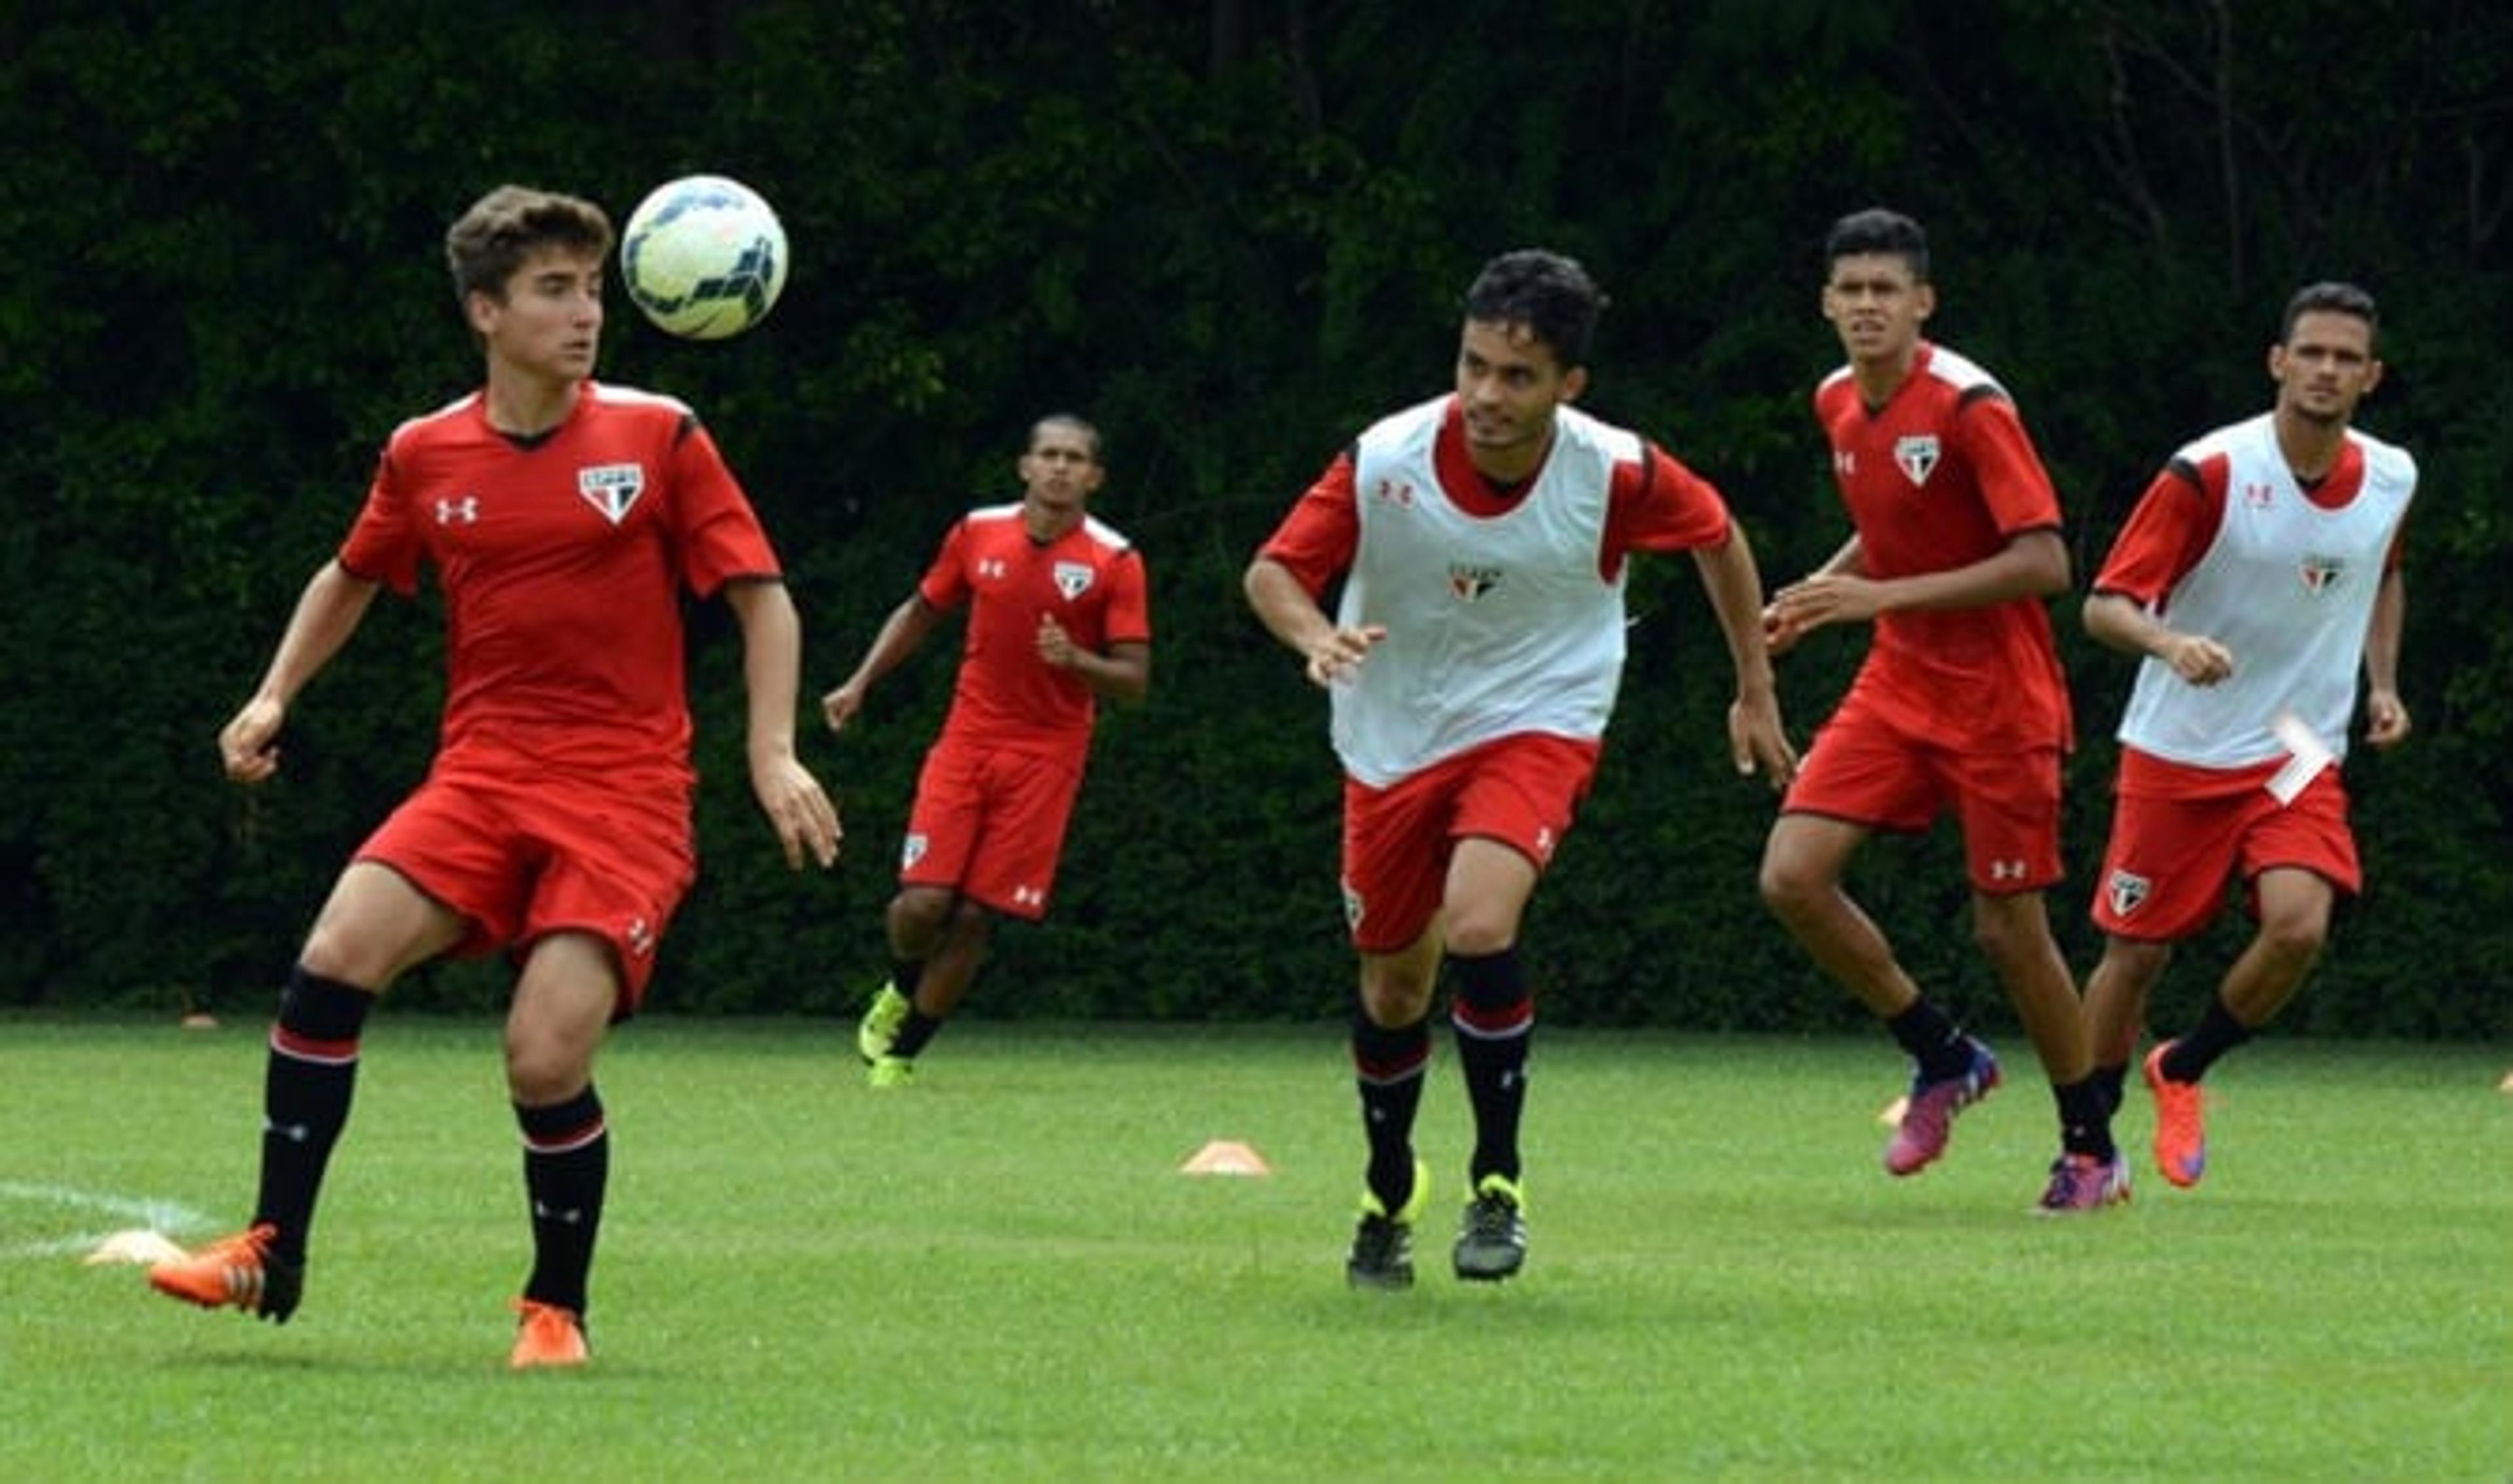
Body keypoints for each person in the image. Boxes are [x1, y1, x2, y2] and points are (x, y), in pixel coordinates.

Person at [143, 185, 842, 1369]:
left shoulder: (659, 435)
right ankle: (272, 1245)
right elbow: (354, 570)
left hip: (624, 792)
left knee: (543, 1053)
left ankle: (553, 1309)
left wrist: (769, 751)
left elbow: (760, 598)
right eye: (554, 291)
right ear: (485, 310)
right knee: (332, 956)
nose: (585, 316)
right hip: (480, 774)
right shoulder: (426, 450)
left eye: (592, 290)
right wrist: (273, 694)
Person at [1243, 248, 1795, 1288]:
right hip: (1393, 732)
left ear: (1568, 386)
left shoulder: (1615, 470)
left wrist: (1754, 687)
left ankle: (1497, 1179)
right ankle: (1388, 1185)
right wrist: (1315, 634)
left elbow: (1719, 538)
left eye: (1517, 376)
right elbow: (1272, 570)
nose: (1487, 396)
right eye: (1474, 366)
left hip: (1541, 715)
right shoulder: (1385, 455)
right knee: (1395, 986)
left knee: (1485, 922)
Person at [1758, 207, 2124, 1212]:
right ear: (1827, 304)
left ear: (1924, 302)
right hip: (1898, 684)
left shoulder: (1970, 407)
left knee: (2010, 929)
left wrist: (1876, 600)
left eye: (1888, 290)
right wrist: (1816, 594)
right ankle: (1943, 1053)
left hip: (2001, 700)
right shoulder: (1838, 400)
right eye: (1852, 290)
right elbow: (1892, 530)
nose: (1868, 306)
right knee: (1792, 877)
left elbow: (2045, 561)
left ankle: (2091, 1144)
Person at [2079, 281, 2414, 1188]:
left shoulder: (2392, 476)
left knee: (2300, 928)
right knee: (2136, 954)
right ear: (2278, 361)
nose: (2327, 370)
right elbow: (2105, 606)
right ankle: (2086, 1144)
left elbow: (2382, 575)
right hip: (2177, 745)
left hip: (2296, 746)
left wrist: (2382, 684)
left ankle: (2182, 1068)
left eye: (2347, 358)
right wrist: (2169, 640)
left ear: (2370, 377)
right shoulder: (2211, 471)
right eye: (2312, 352)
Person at [826, 415, 1151, 1087]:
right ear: (1024, 467)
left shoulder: (1114, 561)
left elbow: (1134, 682)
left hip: (1047, 754)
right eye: (1048, 455)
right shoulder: (978, 532)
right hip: (969, 739)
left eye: (1075, 459)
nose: (1060, 468)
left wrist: (1077, 661)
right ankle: (898, 988)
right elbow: (921, 610)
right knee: (924, 903)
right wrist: (860, 682)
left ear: (1095, 477)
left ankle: (903, 1053)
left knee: (975, 917)